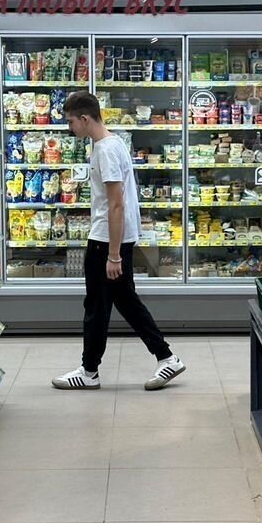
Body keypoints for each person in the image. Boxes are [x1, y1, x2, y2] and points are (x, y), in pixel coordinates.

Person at [52, 91, 185, 391]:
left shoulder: (105, 150)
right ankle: (166, 358)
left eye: (71, 122)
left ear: (85, 119)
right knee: (124, 301)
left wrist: (113, 255)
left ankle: (89, 372)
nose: (70, 128)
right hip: (112, 238)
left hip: (106, 240)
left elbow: (116, 204)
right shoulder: (112, 143)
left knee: (96, 306)